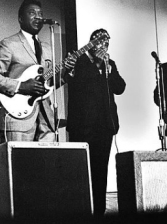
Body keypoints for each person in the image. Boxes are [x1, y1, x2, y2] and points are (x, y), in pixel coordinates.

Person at [0, 0, 75, 142]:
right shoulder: (10, 44)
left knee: (46, 163)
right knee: (20, 163)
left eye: (40, 13)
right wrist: (21, 86)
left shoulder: (47, 48)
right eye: (32, 13)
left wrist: (65, 74)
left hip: (46, 120)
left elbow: (48, 85)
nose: (38, 17)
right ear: (20, 19)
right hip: (19, 119)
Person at [67, 28, 126, 217]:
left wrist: (107, 68)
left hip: (105, 126)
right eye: (99, 42)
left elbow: (120, 87)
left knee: (101, 171)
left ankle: (99, 211)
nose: (103, 45)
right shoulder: (79, 61)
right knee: (82, 172)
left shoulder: (111, 63)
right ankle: (81, 212)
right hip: (82, 127)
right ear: (91, 43)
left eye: (106, 43)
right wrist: (97, 66)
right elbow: (80, 85)